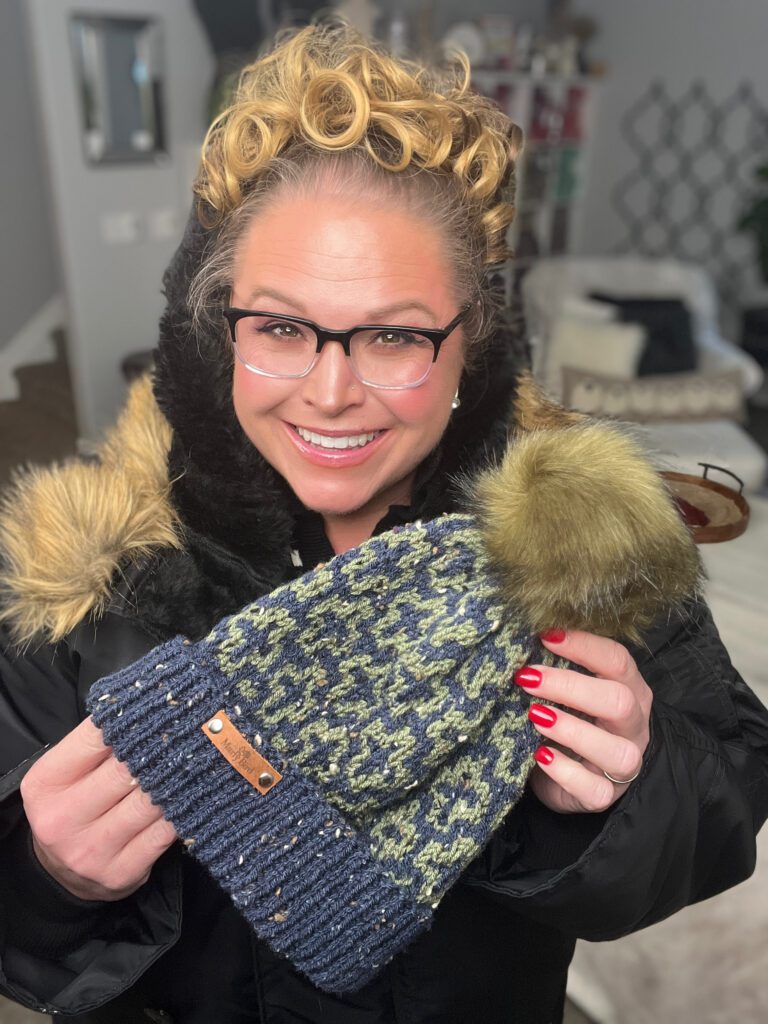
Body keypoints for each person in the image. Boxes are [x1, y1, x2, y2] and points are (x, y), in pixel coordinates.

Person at [0, 21, 766, 1024]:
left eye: (394, 336)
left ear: (469, 346)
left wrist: (635, 788)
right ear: (219, 327)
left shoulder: (580, 545)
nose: (330, 392)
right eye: (280, 328)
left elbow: (727, 802)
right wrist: (47, 872)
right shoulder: (86, 578)